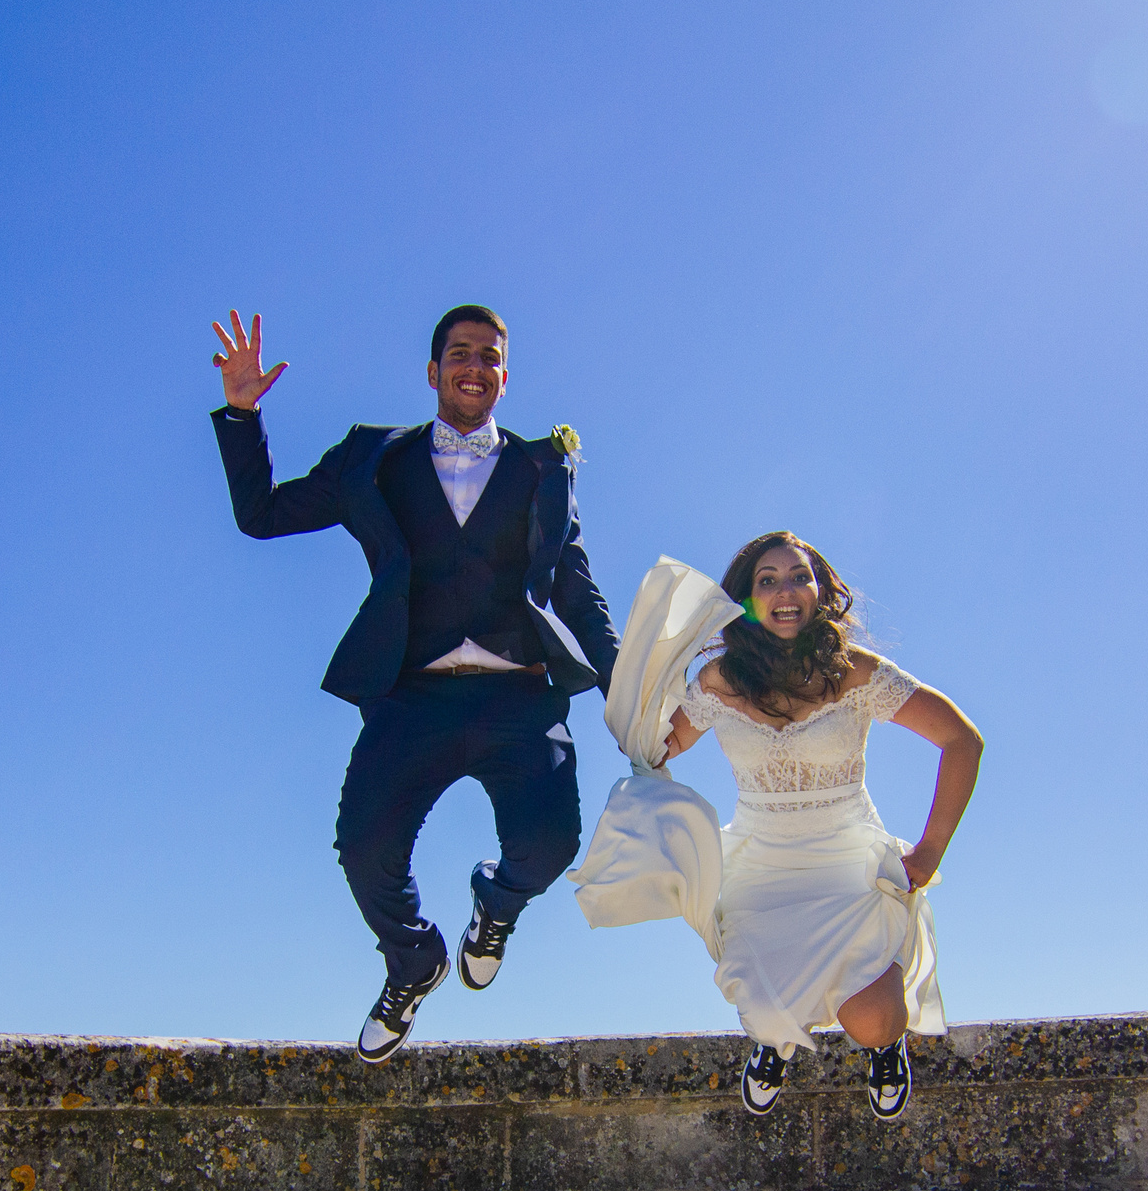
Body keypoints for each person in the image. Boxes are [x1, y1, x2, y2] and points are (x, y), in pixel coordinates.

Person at [208, 308, 620, 1062]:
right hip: (413, 697)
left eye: (490, 356)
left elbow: (576, 593)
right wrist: (242, 412)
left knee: (551, 844)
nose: (474, 366)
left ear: (504, 374)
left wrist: (625, 690)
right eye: (459, 354)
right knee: (363, 850)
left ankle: (494, 908)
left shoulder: (541, 468)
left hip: (518, 699)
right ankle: (412, 960)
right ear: (432, 372)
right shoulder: (374, 456)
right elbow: (262, 514)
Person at [574, 534, 981, 1120]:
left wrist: (930, 852)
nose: (785, 591)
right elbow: (662, 749)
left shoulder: (857, 674)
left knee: (870, 1020)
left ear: (819, 592)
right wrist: (640, 704)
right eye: (767, 580)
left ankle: (887, 1049)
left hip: (848, 864)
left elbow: (961, 741)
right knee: (765, 1011)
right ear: (745, 599)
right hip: (763, 866)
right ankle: (773, 1046)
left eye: (800, 577)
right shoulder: (719, 682)